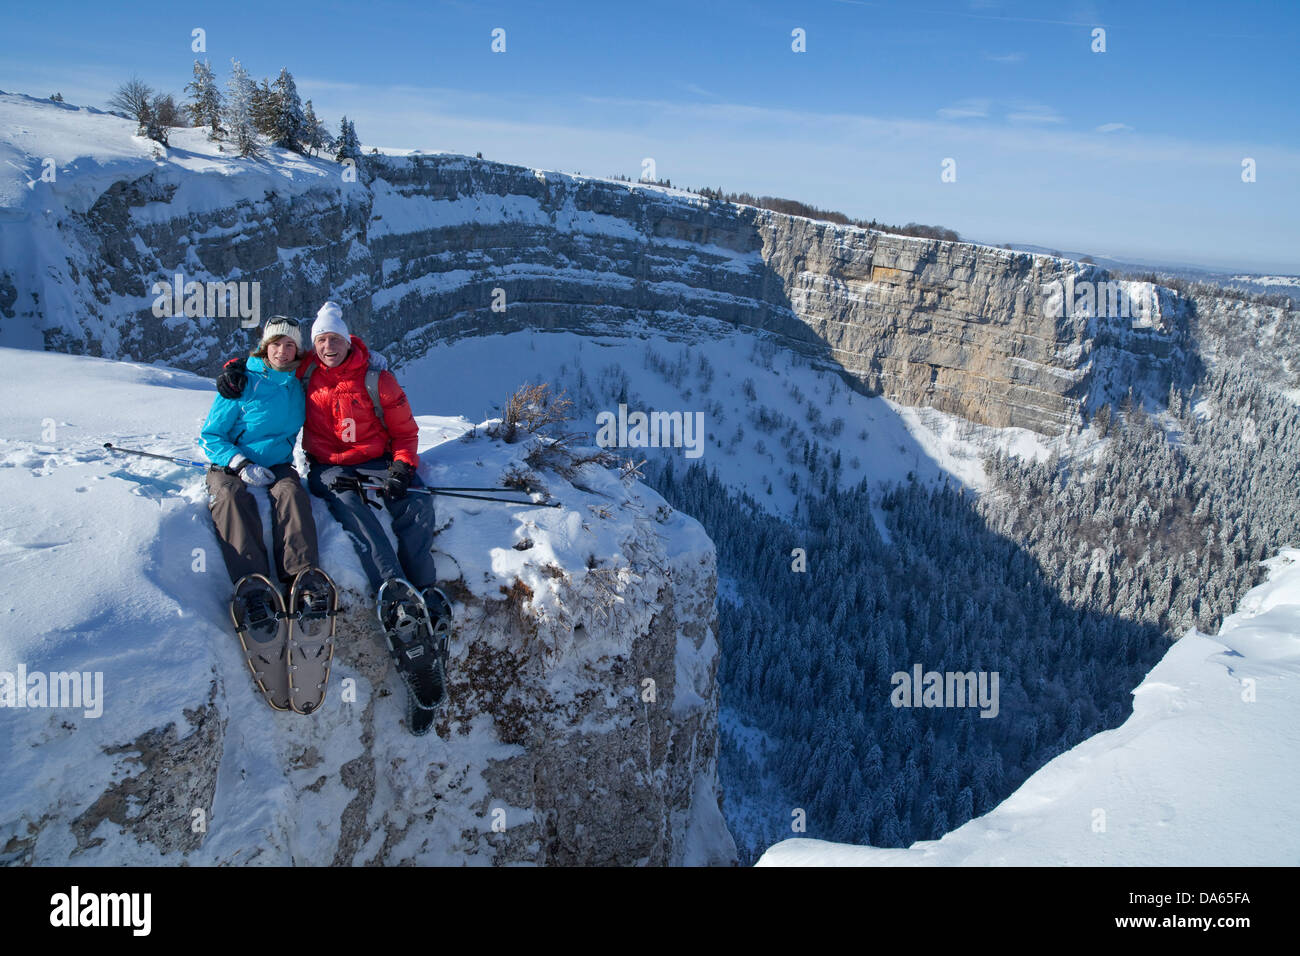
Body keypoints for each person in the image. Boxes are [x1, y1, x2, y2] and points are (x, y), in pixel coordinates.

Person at [200, 316, 321, 614]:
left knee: (292, 494)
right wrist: (240, 465)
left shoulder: (298, 383)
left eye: (290, 345)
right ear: (265, 347)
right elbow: (210, 435)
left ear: (298, 350)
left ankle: (302, 580)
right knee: (229, 497)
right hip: (231, 462)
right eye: (276, 344)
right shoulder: (242, 382)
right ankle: (253, 587)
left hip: (278, 463)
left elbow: (339, 366)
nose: (282, 351)